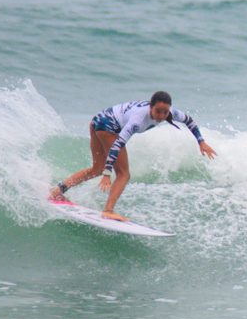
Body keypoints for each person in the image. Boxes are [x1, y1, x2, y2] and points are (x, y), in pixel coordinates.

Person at [49, 91, 217, 221]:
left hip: (97, 120)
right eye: (158, 111)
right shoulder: (138, 119)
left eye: (165, 112)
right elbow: (118, 144)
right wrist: (108, 174)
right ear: (151, 107)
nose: (161, 116)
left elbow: (190, 121)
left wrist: (201, 142)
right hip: (106, 125)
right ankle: (108, 211)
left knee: (96, 168)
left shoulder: (171, 113)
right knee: (123, 174)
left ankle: (58, 191)